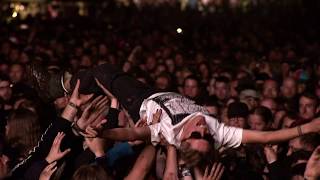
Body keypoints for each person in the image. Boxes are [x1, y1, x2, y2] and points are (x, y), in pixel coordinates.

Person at [74, 63, 320, 167]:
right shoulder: (219, 132)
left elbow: (132, 132)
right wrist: (307, 129)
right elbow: (266, 138)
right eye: (206, 134)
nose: (203, 126)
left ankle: (67, 87)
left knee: (104, 72)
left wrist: (103, 132)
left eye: (196, 133)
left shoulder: (168, 132)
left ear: (184, 140)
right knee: (101, 80)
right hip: (159, 91)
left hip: (138, 100)